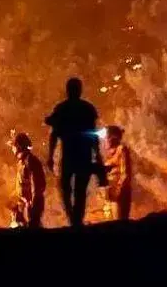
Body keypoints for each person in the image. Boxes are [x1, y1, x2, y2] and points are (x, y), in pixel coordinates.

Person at [45, 77, 105, 227]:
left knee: (66, 188)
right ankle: (76, 220)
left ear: (68, 90)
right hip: (83, 155)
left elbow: (54, 133)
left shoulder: (62, 109)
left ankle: (74, 219)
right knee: (80, 190)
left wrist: (51, 156)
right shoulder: (87, 109)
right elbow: (93, 135)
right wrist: (97, 155)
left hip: (69, 155)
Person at [10, 132, 46, 228]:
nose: (12, 148)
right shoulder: (22, 162)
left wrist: (32, 206)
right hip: (26, 205)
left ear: (19, 146)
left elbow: (37, 186)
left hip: (31, 205)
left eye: (14, 145)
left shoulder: (30, 162)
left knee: (33, 230)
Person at [103, 125, 132, 221]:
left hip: (119, 194)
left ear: (113, 138)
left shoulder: (121, 150)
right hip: (109, 195)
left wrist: (118, 191)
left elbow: (126, 174)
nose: (105, 141)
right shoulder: (108, 155)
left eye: (106, 138)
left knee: (119, 223)